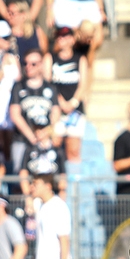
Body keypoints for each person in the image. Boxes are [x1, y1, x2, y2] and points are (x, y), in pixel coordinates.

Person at [9, 47, 62, 174]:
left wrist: (46, 133)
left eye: (33, 64)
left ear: (41, 65)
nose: (28, 67)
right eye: (25, 63)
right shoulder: (18, 87)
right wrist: (32, 137)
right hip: (23, 140)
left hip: (45, 141)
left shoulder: (50, 87)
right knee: (20, 178)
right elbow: (15, 115)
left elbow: (56, 113)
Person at [48, 25, 89, 163]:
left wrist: (72, 103)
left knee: (73, 150)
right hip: (56, 109)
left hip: (75, 110)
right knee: (54, 145)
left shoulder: (80, 59)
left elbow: (83, 84)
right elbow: (49, 84)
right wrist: (60, 102)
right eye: (59, 36)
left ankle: (74, 182)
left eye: (65, 37)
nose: (62, 40)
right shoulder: (50, 58)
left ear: (72, 39)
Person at [47, 0, 106, 68]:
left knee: (96, 40)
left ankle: (85, 72)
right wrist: (49, 9)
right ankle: (54, 69)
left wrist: (101, 10)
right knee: (63, 41)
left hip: (88, 3)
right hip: (65, 2)